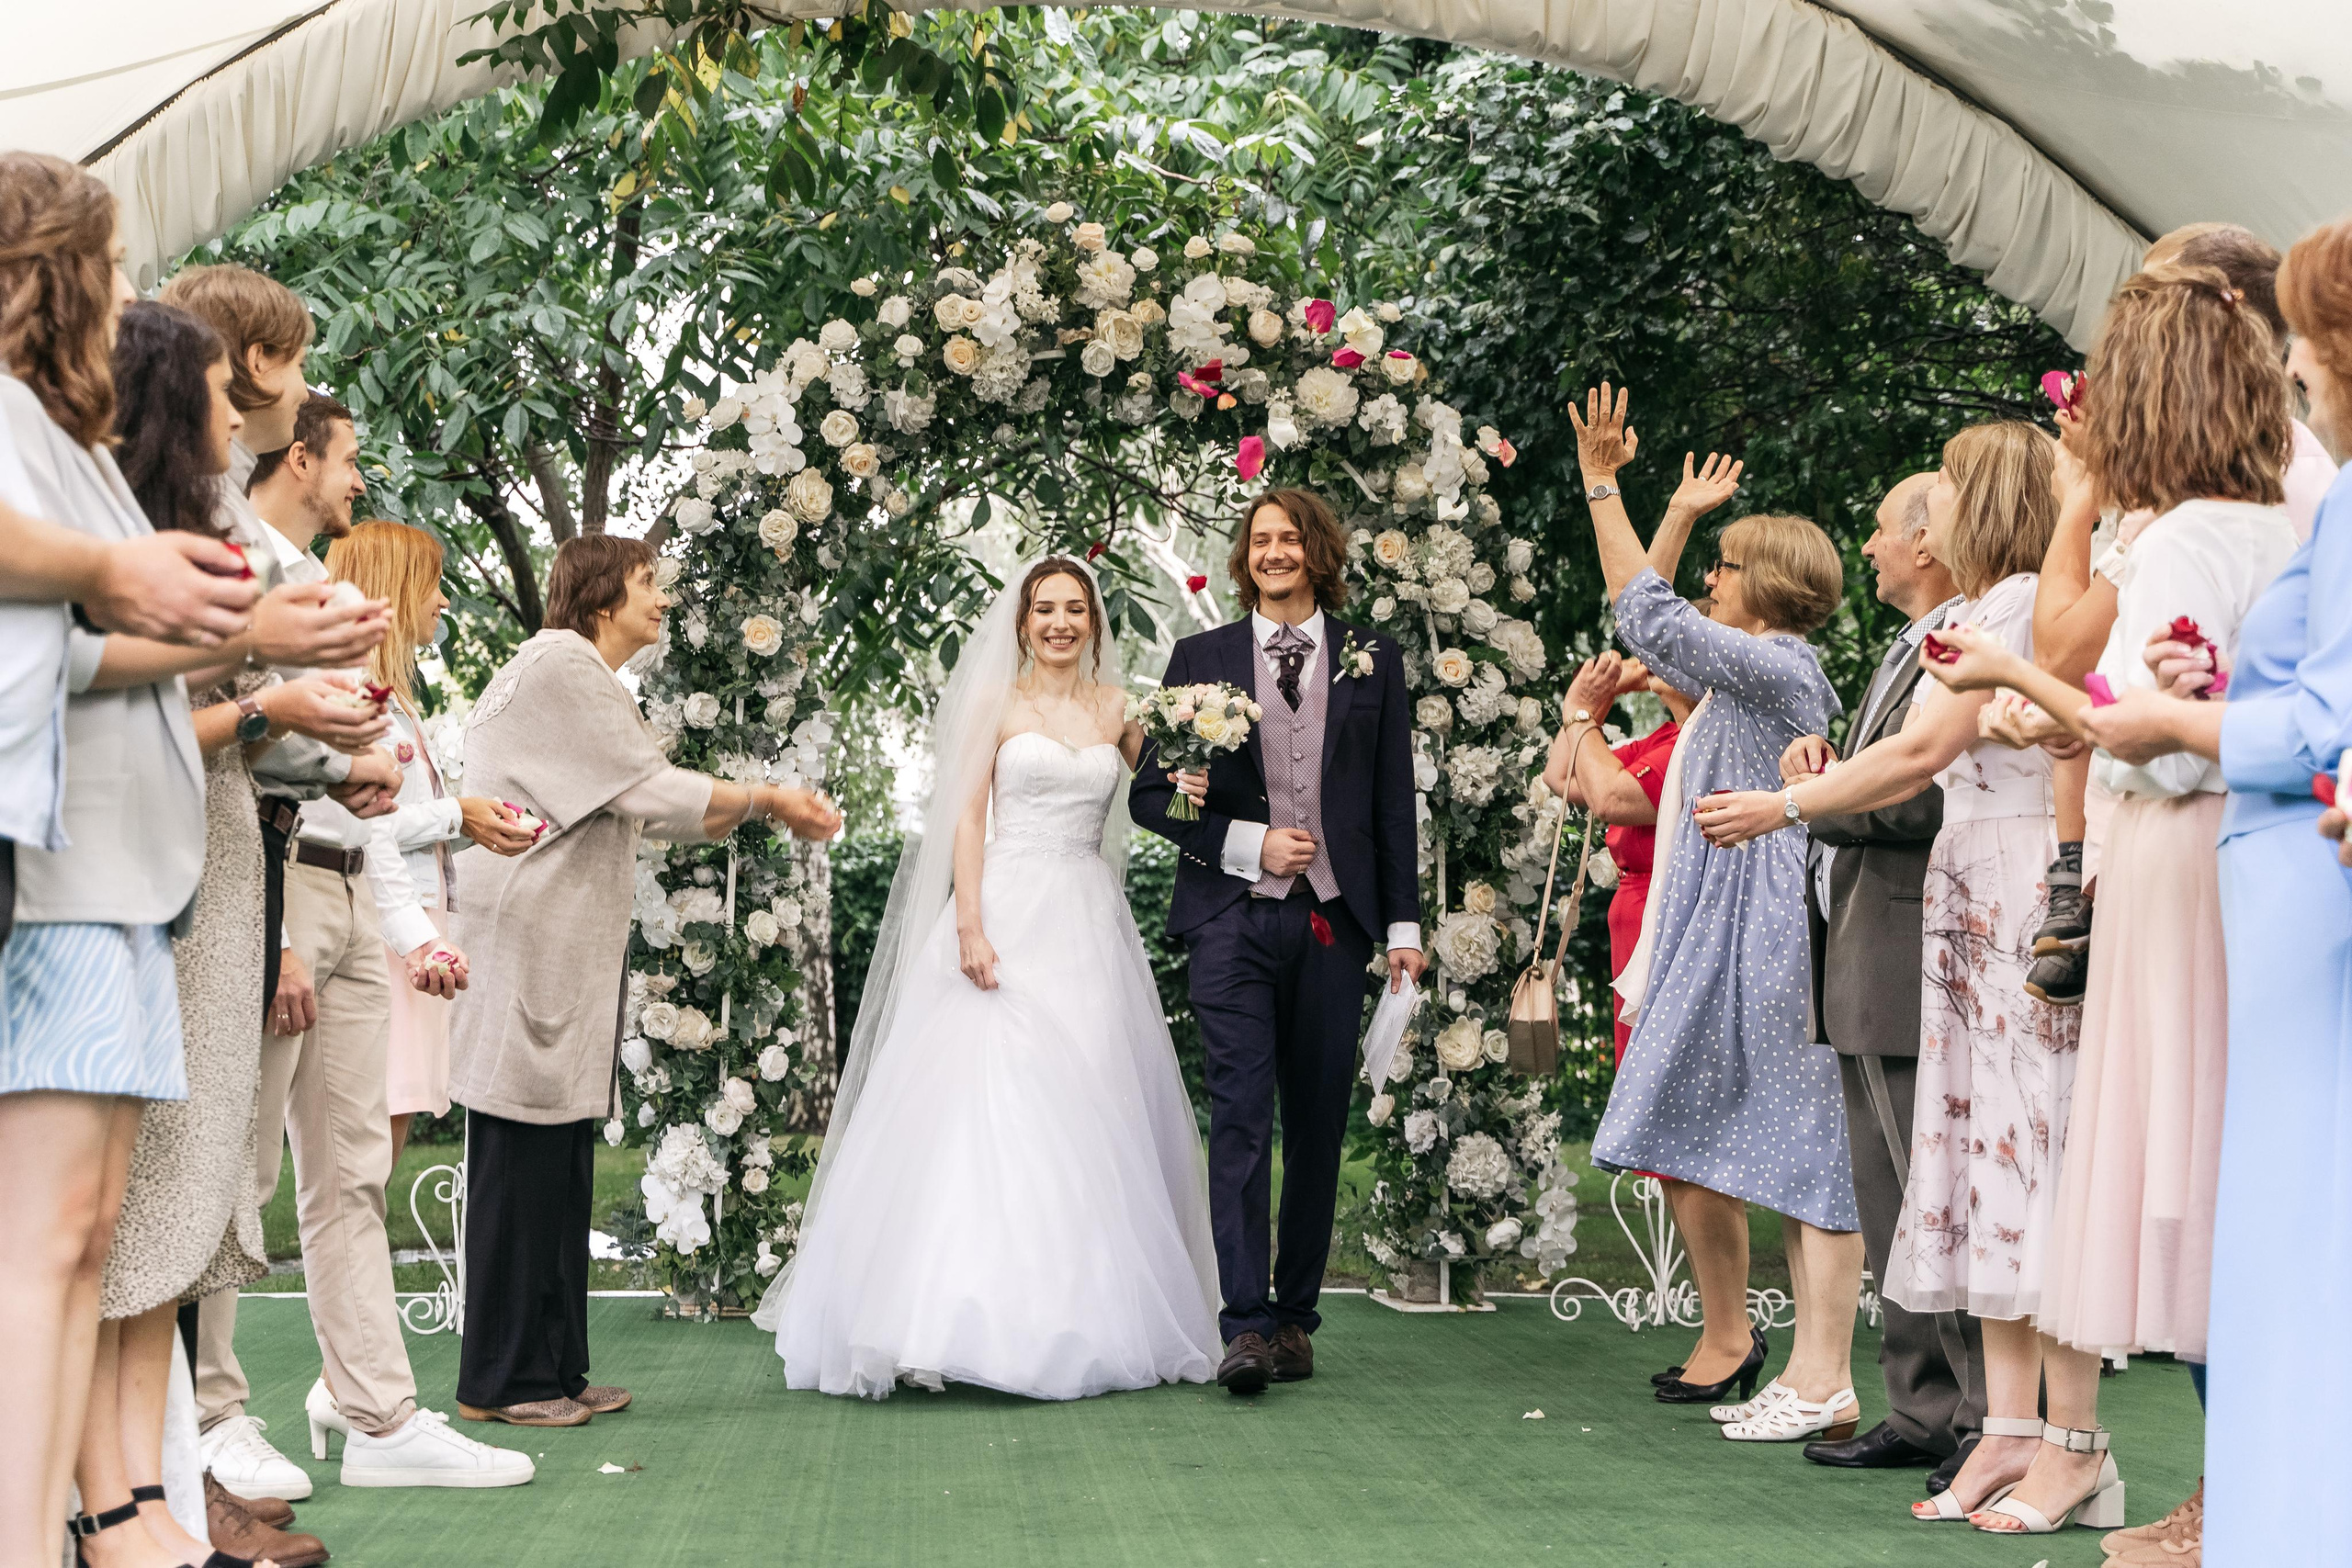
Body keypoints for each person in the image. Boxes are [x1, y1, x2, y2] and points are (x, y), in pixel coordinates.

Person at [0, 152, 370, 1568]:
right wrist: (248, 650)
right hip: (62, 874)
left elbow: (104, 640)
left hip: (121, 883)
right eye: (103, 262)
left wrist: (248, 648)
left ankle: (87, 1519)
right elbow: (90, 638)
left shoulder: (71, 447)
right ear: (57, 271)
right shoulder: (29, 432)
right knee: (51, 1245)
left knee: (87, 1239)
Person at [1694, 422, 2099, 1529]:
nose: (1926, 518)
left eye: (1949, 493)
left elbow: (1921, 759)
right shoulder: (1983, 614)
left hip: (2008, 890)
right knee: (1969, 1174)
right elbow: (1912, 751)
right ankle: (2005, 1431)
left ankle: (2058, 1438)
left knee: (2017, 1168)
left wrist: (1781, 806)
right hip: (1961, 899)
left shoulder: (2014, 611)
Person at [761, 557, 1220, 1399]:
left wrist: (1190, 780)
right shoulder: (996, 703)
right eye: (1044, 608)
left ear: (1094, 623)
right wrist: (969, 920)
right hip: (1005, 911)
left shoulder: (1119, 709)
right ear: (1021, 622)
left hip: (1087, 919)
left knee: (1090, 1103)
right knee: (988, 1100)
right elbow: (967, 813)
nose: (1058, 622)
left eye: (1074, 609)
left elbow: (1170, 801)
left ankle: (1078, 1314)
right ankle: (946, 1314)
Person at [2076, 214, 2352, 1568]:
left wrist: (2157, 730)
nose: (2290, 364)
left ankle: (2258, 1504)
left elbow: (2305, 726)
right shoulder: (2305, 499)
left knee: (2254, 1205)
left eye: (2304, 339)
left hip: (2259, 876)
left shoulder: (2242, 518)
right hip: (2268, 867)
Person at [449, 534, 839, 1427]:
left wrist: (734, 809)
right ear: (600, 594)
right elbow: (657, 793)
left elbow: (645, 808)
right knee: (519, 1159)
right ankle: (500, 1383)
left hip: (557, 942)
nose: (661, 599)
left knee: (555, 1159)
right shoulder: (564, 666)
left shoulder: (578, 674)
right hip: (529, 941)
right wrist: (771, 799)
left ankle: (554, 1365)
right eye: (647, 582)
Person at [1566, 389, 1864, 1445]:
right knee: (1700, 1128)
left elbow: (1642, 608)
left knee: (1802, 1145)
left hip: (1769, 934)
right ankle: (1760, 1350)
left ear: (1769, 586)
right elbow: (1642, 605)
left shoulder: (1776, 665)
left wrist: (1606, 481)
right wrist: (1677, 516)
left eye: (1725, 567)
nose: (1709, 583)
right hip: (1718, 930)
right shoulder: (1742, 679)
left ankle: (1816, 1372)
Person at [1127, 487, 1425, 1396]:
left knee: (1316, 1127)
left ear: (1316, 552)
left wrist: (1404, 927)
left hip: (1334, 925)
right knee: (1243, 1119)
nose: (1274, 553)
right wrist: (1244, 841)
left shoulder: (1371, 658)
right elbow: (1156, 798)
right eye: (1260, 541)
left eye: (1289, 538)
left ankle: (1295, 1319)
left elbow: (1388, 803)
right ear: (1243, 557)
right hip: (1230, 922)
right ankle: (1244, 1325)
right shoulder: (1201, 657)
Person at [1781, 474, 1984, 1489]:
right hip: (1864, 944)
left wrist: (1810, 799)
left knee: (1929, 1188)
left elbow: (1924, 793)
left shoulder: (1973, 638)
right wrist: (1830, 763)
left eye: (1878, 529)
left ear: (1926, 542)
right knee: (1886, 1191)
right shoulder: (1910, 645)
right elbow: (1882, 767)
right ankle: (1917, 1405)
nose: (1864, 546)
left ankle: (1982, 1417)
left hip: (1914, 947)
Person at [322, 520, 537, 1166]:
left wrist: (473, 823)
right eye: (433, 584)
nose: (443, 601)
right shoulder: (358, 700)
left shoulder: (397, 702)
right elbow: (363, 827)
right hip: (391, 931)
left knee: (386, 1139)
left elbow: (405, 819)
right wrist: (456, 814)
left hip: (417, 923)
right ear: (394, 588)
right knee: (368, 1152)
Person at [1541, 650, 1697, 1067]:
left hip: (1661, 912)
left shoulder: (1690, 746)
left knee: (1655, 1063)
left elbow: (1610, 797)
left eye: (1667, 649)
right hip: (1635, 912)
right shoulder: (1667, 736)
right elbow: (1562, 776)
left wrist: (1579, 713)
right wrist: (1592, 707)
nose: (1649, 658)